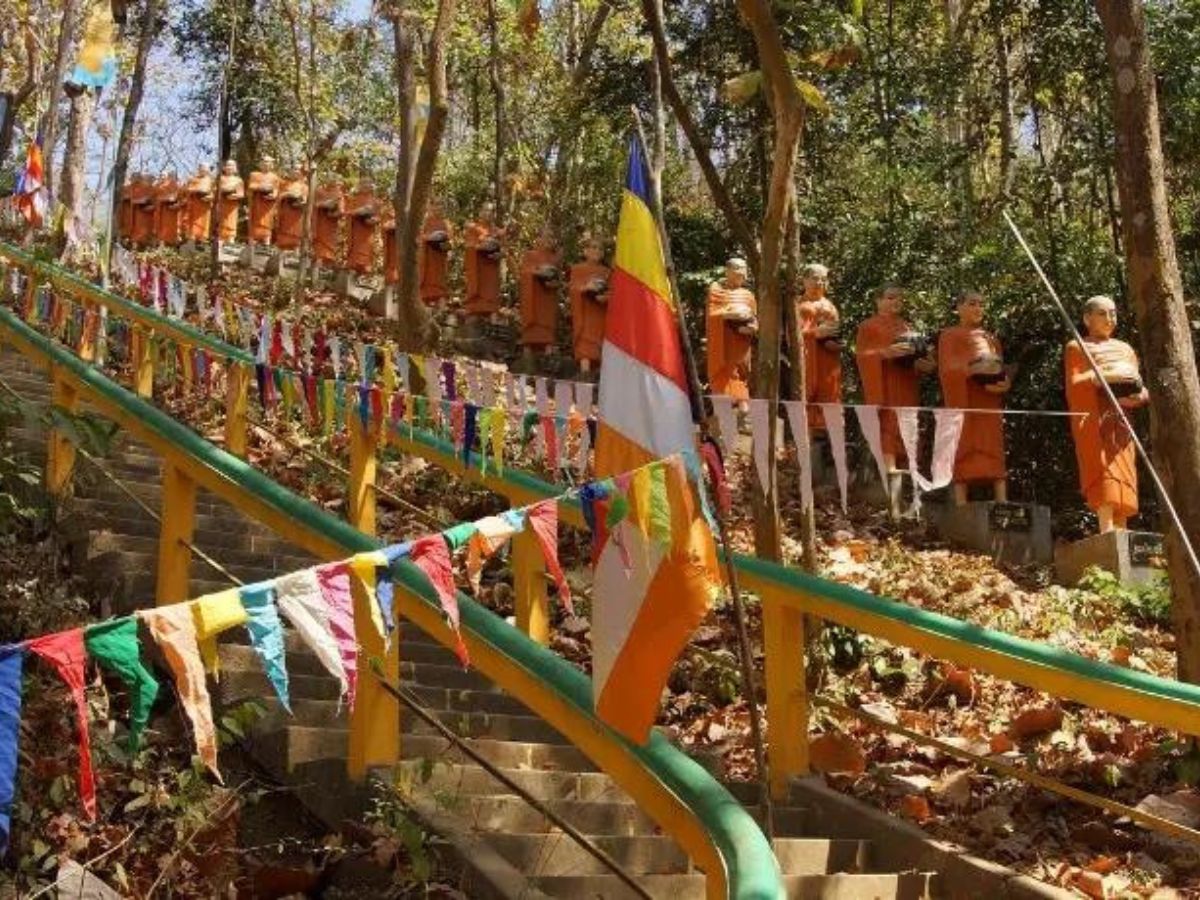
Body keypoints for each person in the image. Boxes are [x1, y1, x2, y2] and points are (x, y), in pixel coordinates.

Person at [1064, 295, 1148, 533]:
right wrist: (1103, 375)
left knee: (1125, 474)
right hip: (1095, 421)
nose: (1110, 318)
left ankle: (1121, 529)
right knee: (1104, 472)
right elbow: (1075, 384)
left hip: (1121, 421)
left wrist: (1140, 396)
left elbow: (1138, 385)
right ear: (1087, 318)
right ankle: (1106, 528)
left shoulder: (1125, 349)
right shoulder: (1077, 347)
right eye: (1103, 313)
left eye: (1113, 313)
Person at [855, 284, 935, 512]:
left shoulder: (906, 326)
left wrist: (924, 363)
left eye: (899, 298)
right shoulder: (868, 326)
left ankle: (908, 466)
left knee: (909, 423)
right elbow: (861, 356)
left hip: (906, 384)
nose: (895, 302)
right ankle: (890, 466)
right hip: (885, 383)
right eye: (890, 298)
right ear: (878, 301)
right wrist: (884, 353)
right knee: (889, 422)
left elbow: (917, 359)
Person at [938, 290, 1011, 505]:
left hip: (988, 401)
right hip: (964, 398)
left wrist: (1004, 383)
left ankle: (1002, 499)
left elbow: (1000, 367)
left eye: (981, 304)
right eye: (972, 303)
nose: (978, 308)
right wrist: (971, 369)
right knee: (963, 444)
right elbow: (946, 368)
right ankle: (961, 500)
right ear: (959, 308)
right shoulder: (949, 335)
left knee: (993, 446)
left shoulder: (991, 338)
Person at [705, 257, 758, 405]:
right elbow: (711, 316)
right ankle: (724, 408)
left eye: (744, 270)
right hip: (723, 345)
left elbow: (754, 319)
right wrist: (730, 315)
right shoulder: (716, 290)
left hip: (741, 345)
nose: (742, 273)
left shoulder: (748, 295)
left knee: (740, 376)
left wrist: (752, 328)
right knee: (724, 377)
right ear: (727, 271)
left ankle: (743, 408)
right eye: (738, 269)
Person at [796, 262, 842, 430]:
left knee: (828, 398)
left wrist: (836, 344)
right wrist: (814, 334)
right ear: (804, 280)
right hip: (807, 358)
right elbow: (791, 336)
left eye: (823, 279)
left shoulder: (830, 306)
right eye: (815, 278)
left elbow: (836, 333)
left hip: (827, 360)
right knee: (806, 395)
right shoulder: (799, 305)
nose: (819, 283)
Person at [518, 229, 562, 360]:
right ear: (538, 239)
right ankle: (527, 360)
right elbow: (524, 272)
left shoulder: (555, 258)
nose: (549, 240)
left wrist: (555, 283)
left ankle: (548, 359)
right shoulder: (530, 255)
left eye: (551, 237)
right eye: (546, 237)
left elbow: (558, 278)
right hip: (533, 298)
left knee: (547, 333)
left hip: (547, 298)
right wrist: (537, 272)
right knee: (530, 334)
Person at [569, 234, 609, 373]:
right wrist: (586, 288)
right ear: (585, 251)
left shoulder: (606, 272)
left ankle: (599, 377)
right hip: (585, 313)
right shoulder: (577, 269)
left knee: (601, 347)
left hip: (600, 313)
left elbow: (613, 291)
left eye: (600, 249)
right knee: (585, 348)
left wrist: (607, 297)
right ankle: (584, 374)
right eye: (593, 247)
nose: (597, 251)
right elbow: (573, 289)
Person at [464, 202, 504, 319]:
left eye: (491, 211)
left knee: (491, 305)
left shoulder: (497, 232)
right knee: (475, 309)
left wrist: (499, 254)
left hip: (491, 272)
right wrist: (481, 247)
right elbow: (469, 246)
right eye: (486, 210)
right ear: (480, 212)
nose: (488, 214)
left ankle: (494, 330)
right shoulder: (473, 229)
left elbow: (504, 250)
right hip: (477, 271)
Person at [419, 201, 452, 307]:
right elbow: (418, 237)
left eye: (441, 207)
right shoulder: (425, 222)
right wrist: (429, 238)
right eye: (436, 206)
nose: (438, 209)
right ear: (431, 207)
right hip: (427, 258)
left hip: (440, 259)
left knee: (440, 287)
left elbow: (450, 242)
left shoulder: (446, 223)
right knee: (425, 286)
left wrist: (447, 247)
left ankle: (441, 312)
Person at [345, 179, 379, 276]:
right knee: (355, 252)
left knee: (365, 253)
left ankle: (364, 274)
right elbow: (346, 211)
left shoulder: (375, 201)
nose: (366, 186)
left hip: (367, 233)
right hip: (356, 230)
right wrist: (356, 212)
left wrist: (374, 220)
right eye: (363, 184)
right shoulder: (354, 200)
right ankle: (353, 271)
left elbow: (379, 217)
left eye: (368, 184)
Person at [247, 156, 281, 248]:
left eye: (268, 162)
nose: (266, 164)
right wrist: (260, 187)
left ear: (272, 165)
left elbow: (276, 190)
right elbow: (251, 185)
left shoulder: (275, 177)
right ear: (260, 164)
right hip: (257, 202)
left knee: (268, 222)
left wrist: (273, 195)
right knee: (255, 221)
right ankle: (252, 242)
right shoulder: (254, 174)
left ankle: (266, 242)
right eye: (264, 162)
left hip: (268, 204)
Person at [312, 177, 345, 271]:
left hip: (331, 225)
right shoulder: (319, 191)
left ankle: (326, 265)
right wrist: (323, 204)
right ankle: (317, 264)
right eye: (334, 181)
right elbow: (313, 204)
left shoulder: (339, 195)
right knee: (319, 243)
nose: (337, 184)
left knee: (329, 244)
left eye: (338, 182)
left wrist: (335, 214)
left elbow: (341, 211)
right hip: (319, 222)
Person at [273, 169, 308, 253]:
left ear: (301, 174)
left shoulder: (304, 187)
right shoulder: (284, 184)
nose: (295, 174)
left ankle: (295, 252)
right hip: (285, 211)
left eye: (298, 172)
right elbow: (278, 196)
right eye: (293, 171)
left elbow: (305, 200)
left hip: (296, 213)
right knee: (283, 232)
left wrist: (300, 202)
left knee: (296, 233)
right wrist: (287, 194)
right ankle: (280, 252)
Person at [215, 159, 244, 244]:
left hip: (232, 205)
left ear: (235, 168)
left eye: (232, 165)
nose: (229, 167)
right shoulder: (221, 178)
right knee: (221, 220)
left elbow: (241, 194)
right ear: (224, 167)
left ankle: (231, 238)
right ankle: (220, 238)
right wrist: (222, 190)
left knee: (231, 221)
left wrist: (235, 196)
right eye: (228, 165)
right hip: (222, 203)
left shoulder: (238, 180)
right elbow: (215, 190)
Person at [184, 165, 214, 243]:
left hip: (205, 205)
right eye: (201, 169)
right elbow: (188, 189)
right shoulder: (194, 179)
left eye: (205, 169)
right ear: (199, 170)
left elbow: (214, 192)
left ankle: (202, 240)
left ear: (208, 171)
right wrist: (197, 190)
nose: (203, 171)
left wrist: (210, 197)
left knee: (204, 222)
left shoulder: (211, 180)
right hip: (195, 203)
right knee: (194, 222)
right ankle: (192, 239)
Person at [154, 171, 184, 247]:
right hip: (162, 211)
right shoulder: (160, 186)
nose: (171, 178)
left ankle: (174, 244)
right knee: (162, 230)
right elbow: (155, 198)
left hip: (174, 212)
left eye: (173, 176)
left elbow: (183, 199)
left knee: (173, 230)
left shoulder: (179, 186)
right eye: (169, 176)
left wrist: (177, 203)